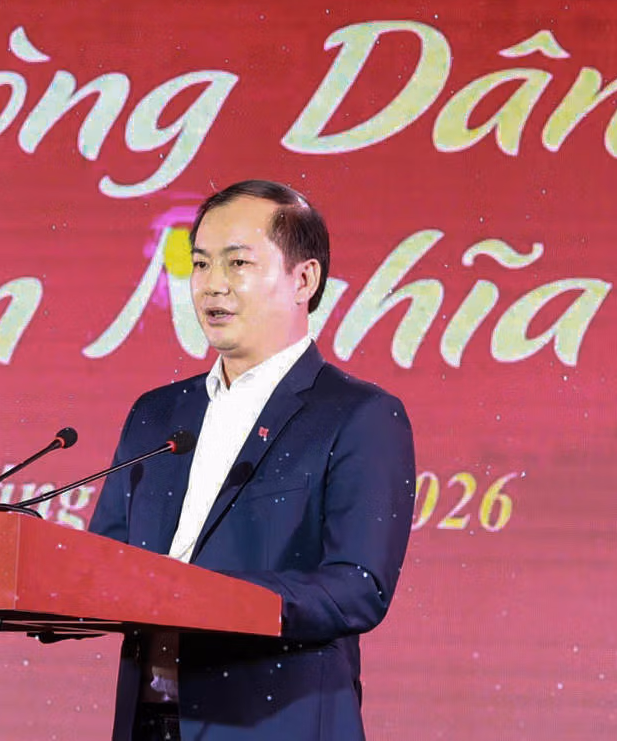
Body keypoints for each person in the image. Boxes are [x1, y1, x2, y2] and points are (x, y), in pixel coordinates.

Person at [88, 180, 416, 740]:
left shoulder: (359, 415)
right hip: (149, 720)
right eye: (200, 264)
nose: (212, 284)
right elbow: (104, 563)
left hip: (272, 724)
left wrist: (208, 598)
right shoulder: (156, 415)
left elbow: (359, 587)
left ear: (303, 280)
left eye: (237, 263)